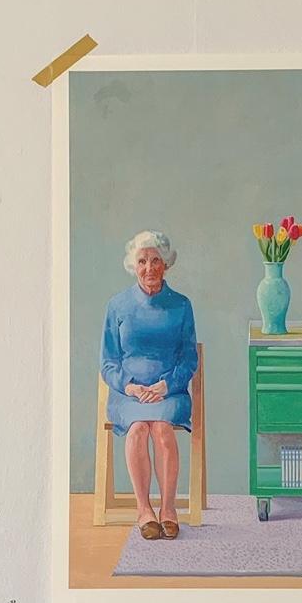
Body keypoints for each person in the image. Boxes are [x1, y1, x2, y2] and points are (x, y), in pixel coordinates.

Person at [100, 231, 198, 541]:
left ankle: (168, 509)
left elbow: (189, 359)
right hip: (128, 394)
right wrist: (130, 387)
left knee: (162, 430)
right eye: (142, 261)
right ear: (134, 265)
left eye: (156, 260)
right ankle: (144, 510)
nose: (149, 267)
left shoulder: (181, 305)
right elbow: (108, 362)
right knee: (138, 429)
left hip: (169, 392)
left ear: (166, 264)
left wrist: (166, 386)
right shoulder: (117, 305)